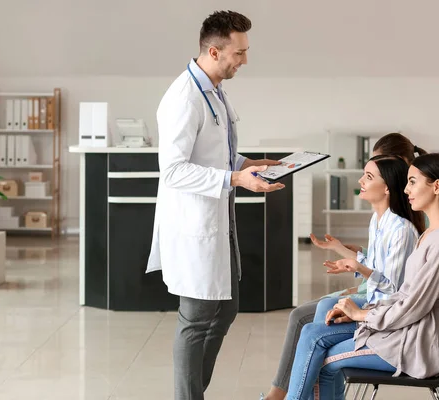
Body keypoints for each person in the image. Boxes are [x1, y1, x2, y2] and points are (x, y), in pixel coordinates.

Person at [145, 10, 285, 400]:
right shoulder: (183, 97)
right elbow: (172, 170)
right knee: (195, 320)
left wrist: (246, 165)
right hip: (195, 225)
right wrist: (233, 178)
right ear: (213, 50)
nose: (244, 60)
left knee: (225, 309)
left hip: (219, 221)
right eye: (238, 53)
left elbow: (213, 155)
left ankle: (192, 393)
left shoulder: (215, 91)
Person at [286, 153, 439, 400]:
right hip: (406, 330)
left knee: (322, 360)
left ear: (437, 186)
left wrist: (362, 315)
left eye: (413, 182)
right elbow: (405, 294)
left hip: (416, 344)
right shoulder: (433, 234)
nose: (406, 189)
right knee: (314, 337)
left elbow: (414, 305)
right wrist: (363, 314)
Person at [260, 153, 425, 400]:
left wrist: (359, 269)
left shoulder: (401, 231)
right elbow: (374, 267)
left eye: (368, 177)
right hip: (375, 305)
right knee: (326, 306)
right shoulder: (378, 221)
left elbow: (393, 290)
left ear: (388, 188)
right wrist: (348, 259)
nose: (361, 181)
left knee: (312, 336)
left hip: (386, 315)